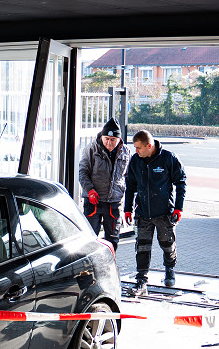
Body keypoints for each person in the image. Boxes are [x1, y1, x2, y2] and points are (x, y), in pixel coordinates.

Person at [123, 130, 186, 296]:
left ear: (149, 146)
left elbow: (181, 183)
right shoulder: (136, 161)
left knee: (167, 244)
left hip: (164, 212)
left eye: (138, 148)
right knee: (142, 247)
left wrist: (178, 208)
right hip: (143, 212)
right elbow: (130, 186)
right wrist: (127, 209)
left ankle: (169, 269)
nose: (136, 151)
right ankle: (141, 279)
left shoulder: (168, 159)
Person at [77, 117, 130, 249]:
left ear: (119, 140)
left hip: (114, 202)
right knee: (90, 238)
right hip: (94, 201)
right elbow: (82, 172)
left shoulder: (126, 152)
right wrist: (90, 190)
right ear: (102, 137)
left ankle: (109, 266)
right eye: (106, 139)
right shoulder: (91, 149)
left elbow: (128, 177)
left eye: (113, 140)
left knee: (113, 239)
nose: (109, 143)